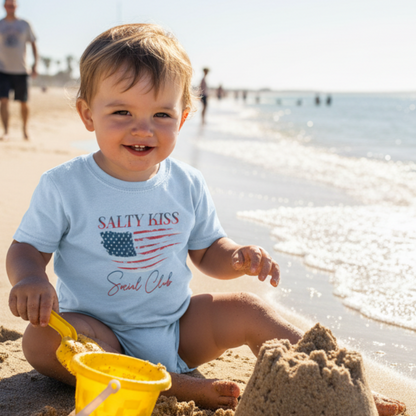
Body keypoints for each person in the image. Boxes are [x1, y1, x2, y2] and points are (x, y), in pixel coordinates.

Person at [6, 24, 405, 415]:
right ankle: (176, 385)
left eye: (161, 113)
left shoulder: (186, 182)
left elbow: (208, 250)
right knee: (40, 341)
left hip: (177, 329)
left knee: (249, 308)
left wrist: (236, 258)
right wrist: (31, 280)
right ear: (87, 114)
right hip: (97, 333)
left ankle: (337, 379)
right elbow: (27, 248)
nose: (142, 128)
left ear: (181, 118)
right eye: (122, 111)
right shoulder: (65, 185)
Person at [0, 0, 37, 141]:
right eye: (8, 5)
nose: (10, 7)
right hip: (2, 69)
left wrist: (35, 64)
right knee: (3, 100)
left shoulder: (24, 24)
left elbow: (33, 44)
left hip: (21, 69)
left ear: (16, 6)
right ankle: (6, 132)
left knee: (23, 101)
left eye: (13, 5)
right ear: (4, 6)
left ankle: (25, 130)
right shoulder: (1, 24)